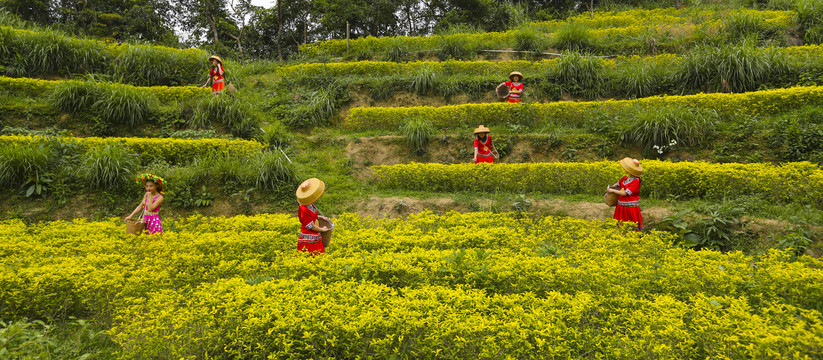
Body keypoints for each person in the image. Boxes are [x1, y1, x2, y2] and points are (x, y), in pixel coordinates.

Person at [607, 158, 644, 231]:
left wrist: (612, 191)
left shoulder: (636, 181)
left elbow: (624, 193)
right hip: (621, 206)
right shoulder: (625, 178)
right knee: (621, 226)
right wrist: (612, 187)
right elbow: (617, 184)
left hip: (630, 208)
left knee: (630, 226)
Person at [296, 178, 331, 254]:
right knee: (310, 257)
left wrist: (321, 217)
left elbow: (311, 217)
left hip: (316, 234)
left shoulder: (310, 204)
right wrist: (322, 230)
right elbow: (310, 225)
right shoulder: (303, 209)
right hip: (309, 237)